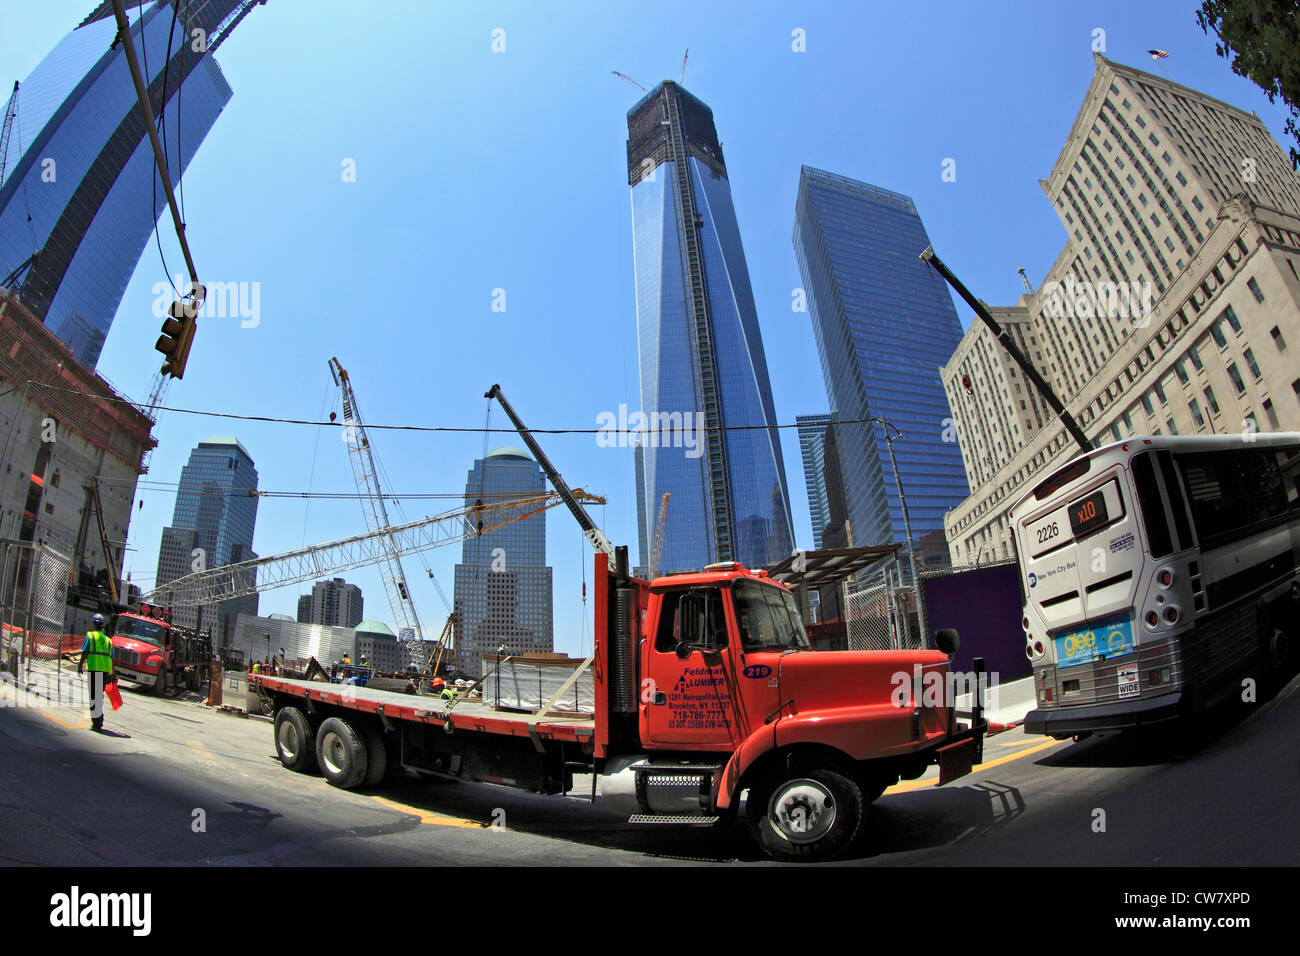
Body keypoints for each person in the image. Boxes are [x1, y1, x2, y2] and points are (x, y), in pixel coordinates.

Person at [77, 614, 114, 732]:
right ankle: (99, 720)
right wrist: (113, 673)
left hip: (94, 669)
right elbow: (111, 658)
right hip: (104, 671)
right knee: (99, 696)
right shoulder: (108, 641)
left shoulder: (91, 636)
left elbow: (85, 652)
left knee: (94, 696)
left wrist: (80, 665)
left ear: (94, 623)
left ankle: (96, 723)